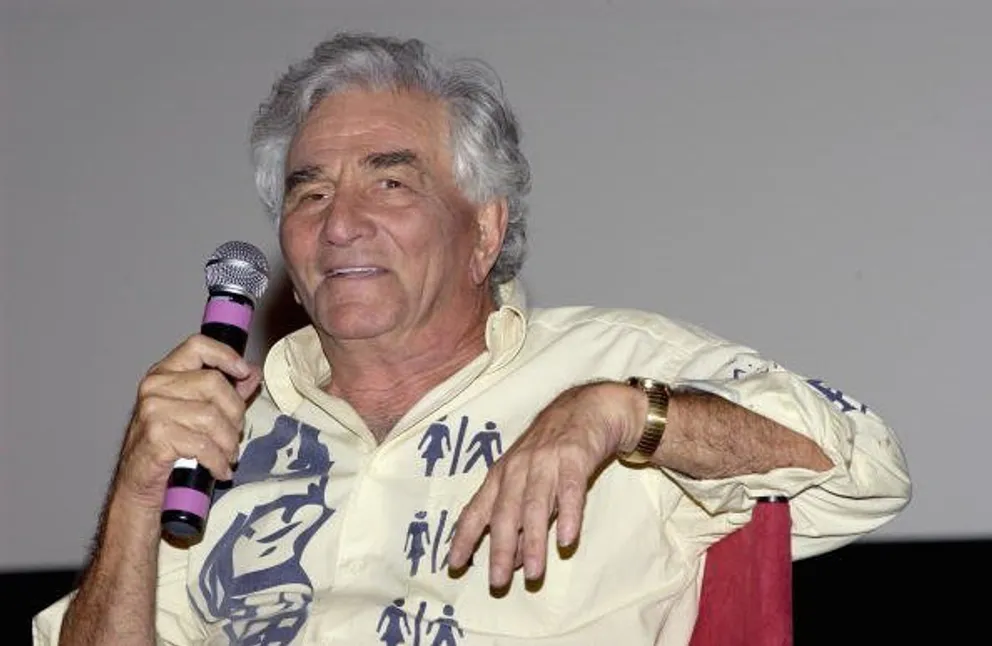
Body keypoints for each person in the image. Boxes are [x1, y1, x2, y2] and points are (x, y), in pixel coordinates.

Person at [33, 32, 911, 645]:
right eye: (309, 193)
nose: (339, 224)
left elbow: (865, 470)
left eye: (390, 182)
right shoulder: (222, 438)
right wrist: (137, 493)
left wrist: (620, 417)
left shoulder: (607, 365)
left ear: (484, 233)